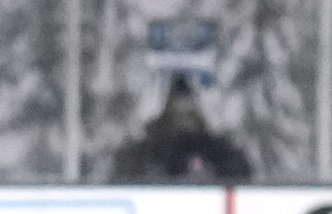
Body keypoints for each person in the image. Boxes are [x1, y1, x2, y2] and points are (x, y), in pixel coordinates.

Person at [108, 78, 254, 182]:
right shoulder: (143, 153)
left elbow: (240, 179)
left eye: (189, 105)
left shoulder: (220, 153)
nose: (182, 109)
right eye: (176, 105)